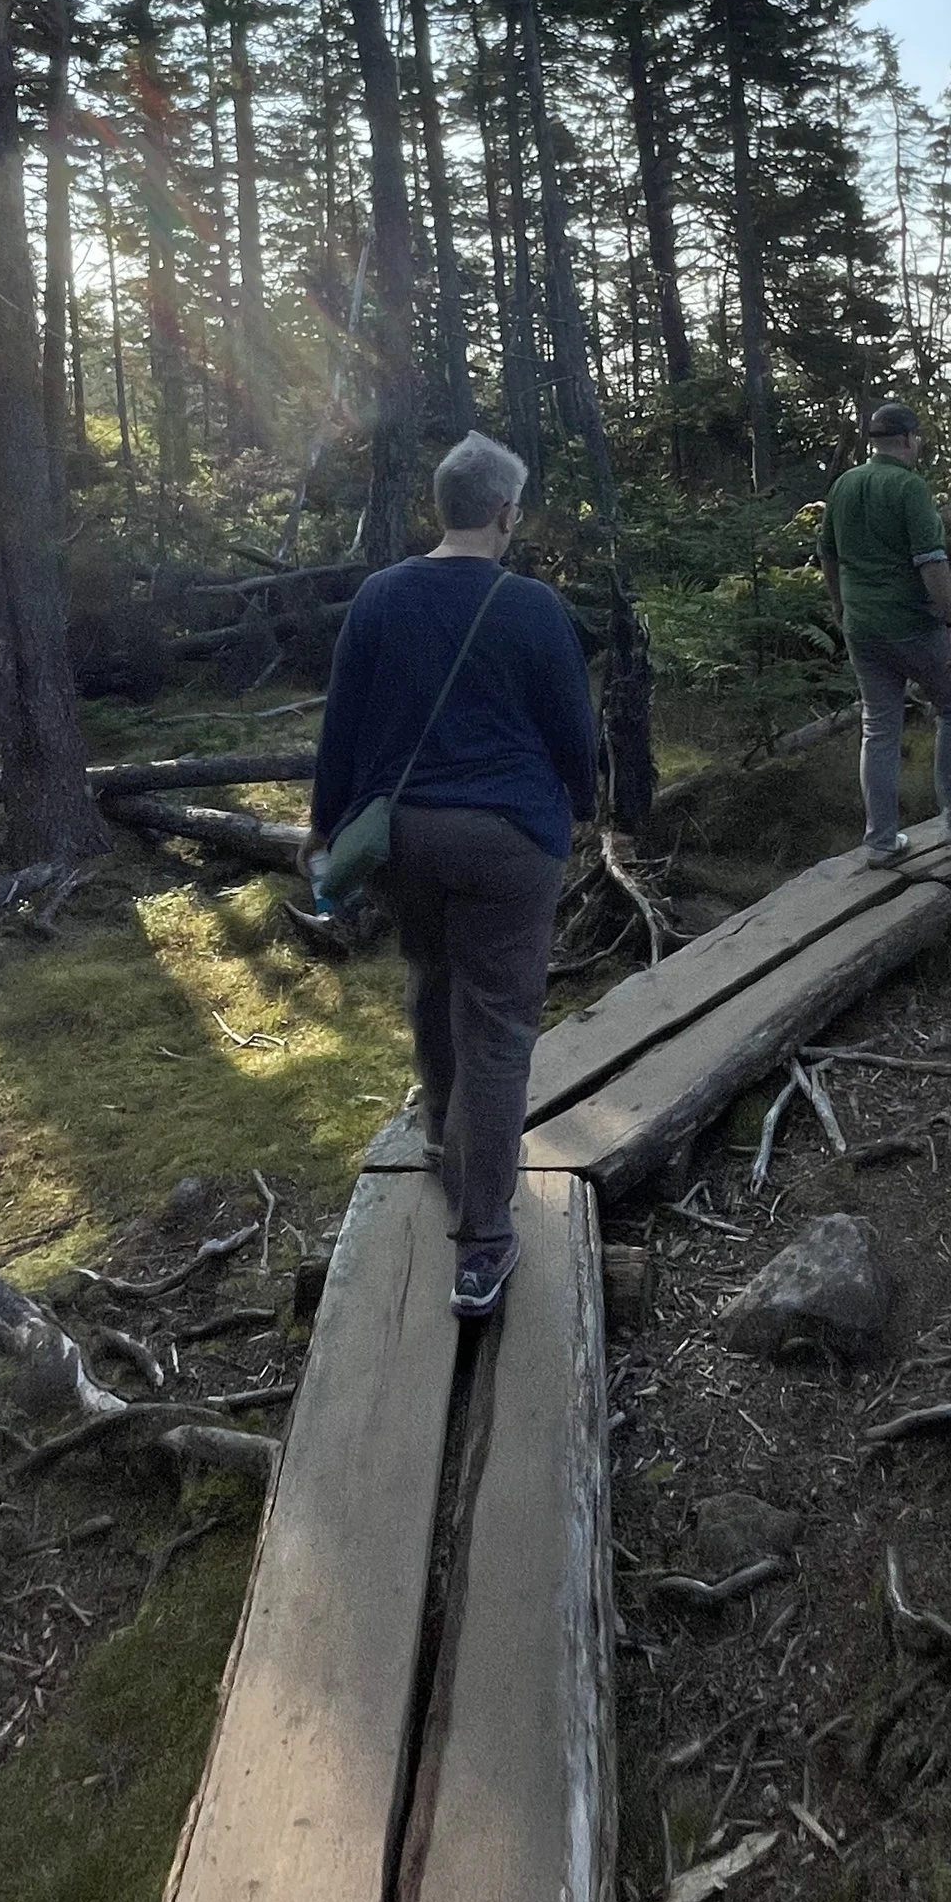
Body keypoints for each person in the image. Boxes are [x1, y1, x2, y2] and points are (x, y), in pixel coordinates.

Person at [310, 431, 597, 1319]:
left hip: (409, 840)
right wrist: (583, 804)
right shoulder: (531, 605)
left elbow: (343, 728)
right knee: (501, 1025)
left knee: (432, 982)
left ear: (442, 506)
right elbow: (571, 730)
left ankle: (442, 1139)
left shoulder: (380, 597)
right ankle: (483, 1243)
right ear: (504, 514)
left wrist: (322, 832)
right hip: (510, 840)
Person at [820, 401, 951, 867]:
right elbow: (931, 561)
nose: (918, 443)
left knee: (879, 728)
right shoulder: (908, 487)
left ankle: (881, 841)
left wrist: (842, 608)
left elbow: (828, 554)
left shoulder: (844, 484)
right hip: (913, 624)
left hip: (862, 627)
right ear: (906, 439)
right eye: (917, 437)